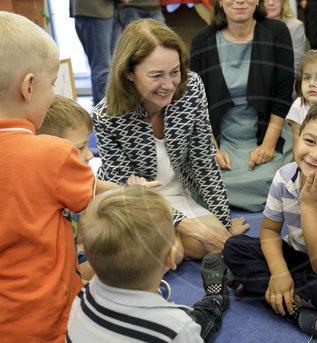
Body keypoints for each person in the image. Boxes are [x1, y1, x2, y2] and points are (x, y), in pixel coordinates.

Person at [93, 19, 249, 262]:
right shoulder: (106, 116)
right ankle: (171, 240)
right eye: (156, 75)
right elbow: (129, 192)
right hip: (136, 203)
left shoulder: (192, 87)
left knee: (210, 247)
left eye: (174, 72)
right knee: (172, 252)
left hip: (179, 193)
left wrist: (224, 226)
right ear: (129, 74)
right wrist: (189, 226)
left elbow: (204, 163)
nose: (169, 85)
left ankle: (172, 238)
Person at [223, 97, 317, 340]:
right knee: (234, 247)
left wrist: (309, 204)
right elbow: (269, 231)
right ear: (298, 136)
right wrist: (280, 273)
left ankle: (262, 289)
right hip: (297, 254)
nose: (316, 154)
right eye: (309, 141)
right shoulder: (285, 176)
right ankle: (298, 310)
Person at [0, 12, 95, 342]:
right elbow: (89, 195)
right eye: (52, 84)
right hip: (48, 320)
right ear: (28, 86)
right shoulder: (53, 154)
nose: (54, 94)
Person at [67, 186, 230, 342]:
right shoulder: (178, 327)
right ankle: (214, 299)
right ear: (171, 258)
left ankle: (152, 295)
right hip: (172, 330)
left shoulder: (80, 296)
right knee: (200, 320)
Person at [37, 95, 162, 282]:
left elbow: (108, 189)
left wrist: (131, 190)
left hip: (75, 257)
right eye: (80, 148)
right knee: (135, 260)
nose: (89, 155)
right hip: (57, 272)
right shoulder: (39, 193)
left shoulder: (77, 178)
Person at [190, 0, 295, 212]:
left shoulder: (277, 32)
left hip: (266, 132)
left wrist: (267, 145)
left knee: (277, 180)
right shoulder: (203, 40)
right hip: (219, 137)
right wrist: (212, 148)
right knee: (204, 178)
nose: (240, 0)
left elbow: (283, 96)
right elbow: (196, 102)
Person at [70, 0, 126, 106]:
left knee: (115, 66)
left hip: (114, 9)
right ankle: (104, 117)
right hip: (94, 9)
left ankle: (114, 112)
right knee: (102, 68)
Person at [264, 0, 305, 76]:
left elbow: (296, 65)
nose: (271, 3)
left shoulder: (295, 26)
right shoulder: (252, 26)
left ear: (283, 2)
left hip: (288, 79)